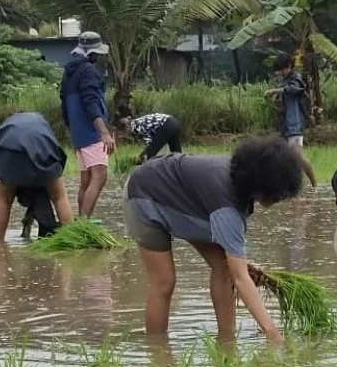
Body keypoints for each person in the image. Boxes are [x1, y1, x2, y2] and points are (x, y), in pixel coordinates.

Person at [123, 137, 304, 345]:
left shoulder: (239, 178)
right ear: (263, 187)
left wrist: (239, 264)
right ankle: (156, 351)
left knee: (224, 268)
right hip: (144, 196)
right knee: (163, 282)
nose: (280, 199)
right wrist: (273, 333)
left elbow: (235, 269)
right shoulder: (227, 207)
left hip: (187, 202)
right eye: (279, 194)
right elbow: (241, 279)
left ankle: (227, 340)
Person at [0, 112, 75, 242]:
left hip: (8, 150)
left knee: (4, 199)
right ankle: (73, 239)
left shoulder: (8, 123)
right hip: (42, 148)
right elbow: (56, 149)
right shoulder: (40, 120)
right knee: (59, 196)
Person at [61, 32, 115, 217]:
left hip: (78, 133)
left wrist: (71, 130)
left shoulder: (69, 73)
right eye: (97, 53)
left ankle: (80, 222)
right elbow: (90, 101)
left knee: (86, 179)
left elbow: (64, 104)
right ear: (91, 53)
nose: (98, 57)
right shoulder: (88, 71)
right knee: (99, 176)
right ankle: (84, 223)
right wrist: (104, 133)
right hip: (91, 131)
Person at [266, 52, 317, 187]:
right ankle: (291, 185)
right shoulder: (285, 81)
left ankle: (314, 185)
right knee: (283, 158)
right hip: (286, 126)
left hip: (295, 124)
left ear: (289, 66)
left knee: (298, 156)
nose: (281, 72)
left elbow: (293, 89)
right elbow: (283, 97)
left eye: (283, 69)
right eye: (279, 70)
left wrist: (275, 91)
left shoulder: (296, 78)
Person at [118, 112, 183, 163]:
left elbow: (151, 146)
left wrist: (139, 157)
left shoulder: (136, 126)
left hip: (166, 124)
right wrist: (141, 156)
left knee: (151, 154)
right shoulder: (137, 121)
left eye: (124, 132)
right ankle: (180, 170)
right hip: (174, 122)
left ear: (126, 128)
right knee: (177, 155)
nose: (126, 134)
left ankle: (151, 173)